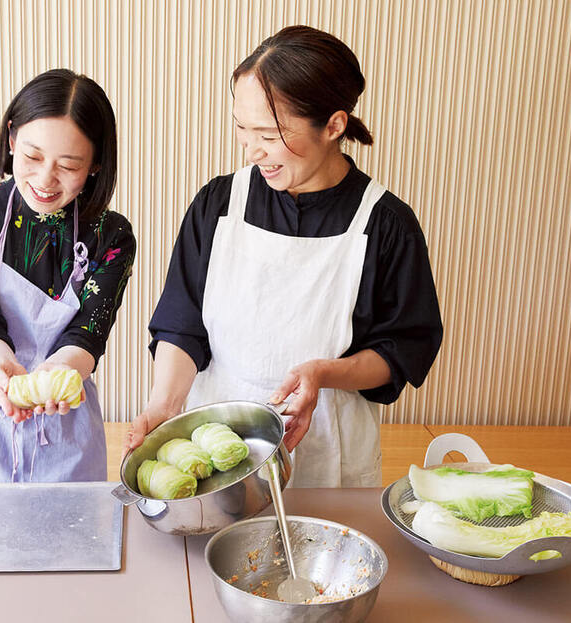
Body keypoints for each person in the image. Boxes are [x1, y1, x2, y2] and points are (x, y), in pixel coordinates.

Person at [125, 26, 442, 488]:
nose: (252, 151)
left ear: (333, 126)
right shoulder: (219, 204)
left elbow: (401, 350)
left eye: (270, 135)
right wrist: (163, 407)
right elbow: (181, 323)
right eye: (241, 128)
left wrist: (323, 372)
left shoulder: (385, 224)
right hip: (216, 456)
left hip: (329, 459)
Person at [0, 69, 135, 489]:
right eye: (32, 156)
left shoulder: (110, 237)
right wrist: (3, 372)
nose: (45, 180)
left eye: (69, 165)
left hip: (65, 428)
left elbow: (86, 336)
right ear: (11, 138)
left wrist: (57, 375)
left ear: (96, 163)